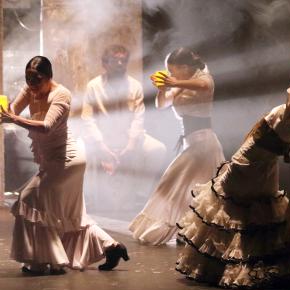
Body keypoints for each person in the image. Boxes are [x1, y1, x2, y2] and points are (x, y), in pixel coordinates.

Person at [175, 25, 290, 289]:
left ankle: (230, 267)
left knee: (234, 209)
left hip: (249, 163)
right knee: (259, 214)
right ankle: (257, 263)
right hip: (265, 166)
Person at [1, 56, 129, 275]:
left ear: (49, 77)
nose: (32, 83)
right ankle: (112, 247)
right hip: (51, 159)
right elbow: (12, 109)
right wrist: (6, 110)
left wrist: (12, 119)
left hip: (68, 159)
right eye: (28, 78)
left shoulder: (61, 95)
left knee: (29, 201)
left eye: (37, 79)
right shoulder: (30, 89)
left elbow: (46, 127)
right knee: (71, 214)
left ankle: (46, 262)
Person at [129, 48, 225, 245]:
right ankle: (189, 230)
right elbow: (161, 104)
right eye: (169, 72)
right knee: (185, 189)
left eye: (173, 71)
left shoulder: (203, 78)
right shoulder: (179, 84)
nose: (171, 75)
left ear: (185, 67)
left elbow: (204, 85)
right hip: (191, 144)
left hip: (204, 145)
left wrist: (174, 82)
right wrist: (163, 89)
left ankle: (195, 230)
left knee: (179, 186)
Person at [81, 44, 166, 212]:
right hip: (101, 136)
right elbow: (87, 119)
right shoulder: (93, 86)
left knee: (158, 149)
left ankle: (140, 198)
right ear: (105, 63)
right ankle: (88, 201)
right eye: (115, 60)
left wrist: (131, 145)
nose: (120, 64)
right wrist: (101, 146)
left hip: (129, 137)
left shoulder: (134, 86)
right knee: (77, 153)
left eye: (123, 60)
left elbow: (138, 118)